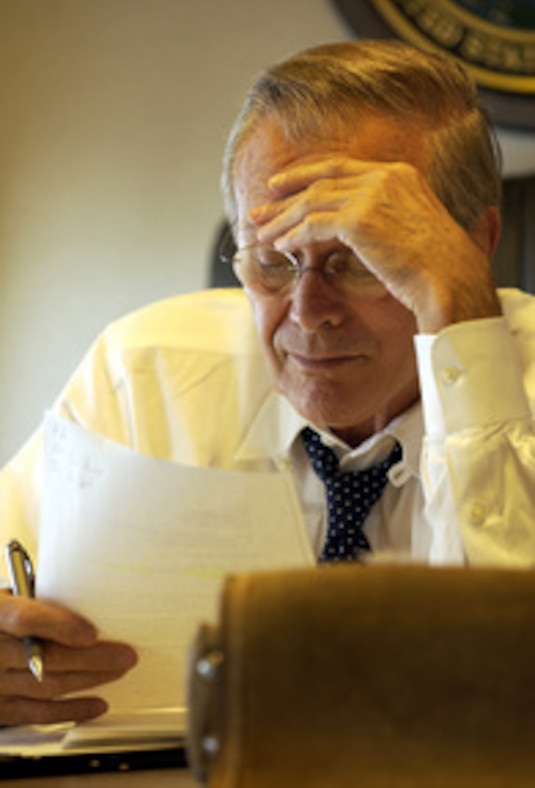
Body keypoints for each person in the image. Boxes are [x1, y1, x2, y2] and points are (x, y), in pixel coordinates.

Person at [0, 39, 534, 727]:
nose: (308, 313)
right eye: (273, 261)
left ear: (474, 247)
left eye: (361, 257)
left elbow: (512, 692)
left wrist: (463, 324)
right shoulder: (149, 373)